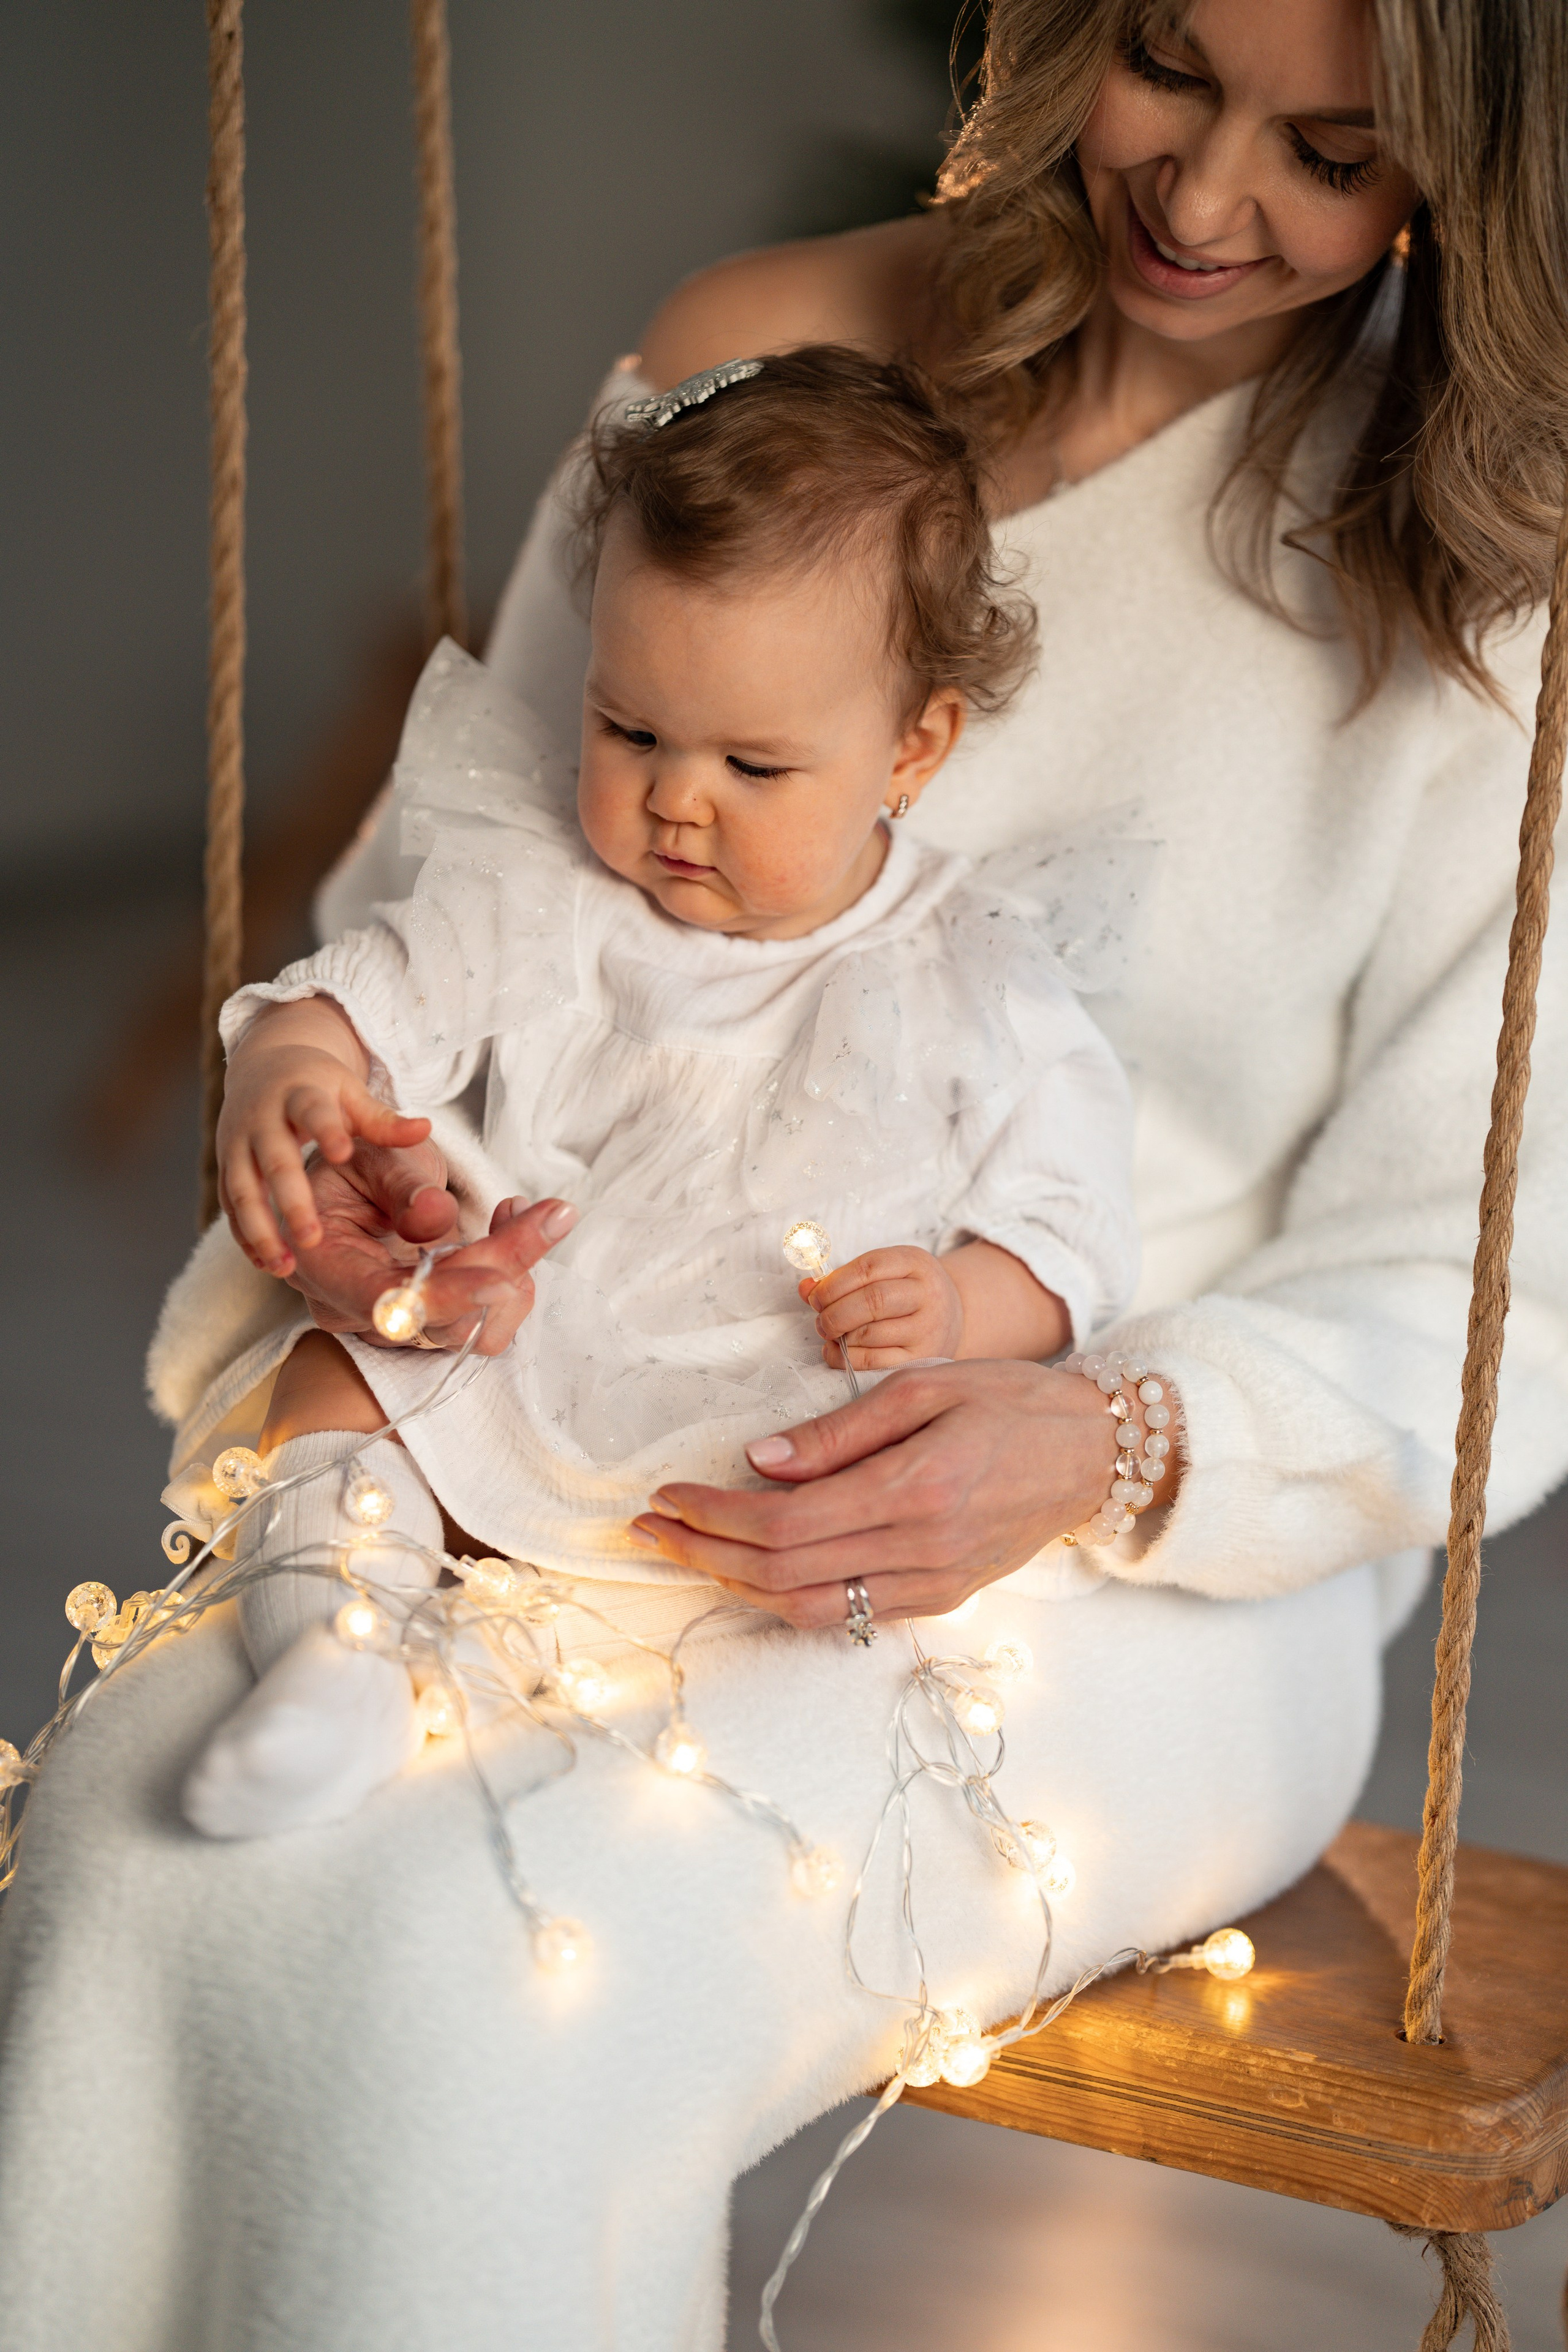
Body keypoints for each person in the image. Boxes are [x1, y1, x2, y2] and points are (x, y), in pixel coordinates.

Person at [3, 4, 1566, 2346]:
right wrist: (363, 1146)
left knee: (482, 1960)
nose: (1209, 195)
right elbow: (475, 912)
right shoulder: (762, 364)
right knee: (136, 1835)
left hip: (1134, 1554)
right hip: (595, 1380)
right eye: (1166, 62)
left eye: (1333, 149)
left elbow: (1489, 1289)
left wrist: (1111, 1439)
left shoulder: (1489, 583)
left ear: (1470, 163)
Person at [182, 347, 1145, 1841]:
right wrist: (294, 1068)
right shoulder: (548, 891)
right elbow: (371, 995)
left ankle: (668, 1707)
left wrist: (963, 1307)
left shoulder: (968, 963)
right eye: (628, 730)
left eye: (753, 765)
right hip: (521, 1314)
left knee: (830, 1525)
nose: (673, 800)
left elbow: (1069, 1225)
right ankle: (334, 1661)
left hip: (770, 1383)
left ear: (912, 747)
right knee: (333, 1384)